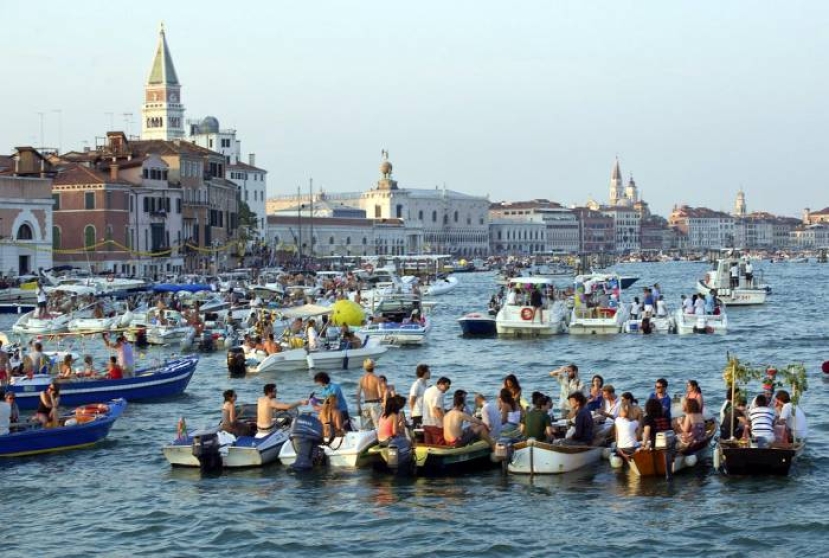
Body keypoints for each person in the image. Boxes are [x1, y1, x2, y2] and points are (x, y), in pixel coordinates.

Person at [422, 376, 451, 444]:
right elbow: (435, 409)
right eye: (447, 387)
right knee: (439, 445)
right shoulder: (439, 393)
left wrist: (444, 410)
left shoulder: (427, 390)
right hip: (435, 424)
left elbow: (430, 405)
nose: (447, 389)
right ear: (441, 384)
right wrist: (444, 423)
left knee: (428, 446)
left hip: (426, 423)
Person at [356, 358, 383, 429]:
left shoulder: (361, 379)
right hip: (375, 404)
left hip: (365, 405)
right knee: (377, 426)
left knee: (365, 427)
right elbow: (380, 395)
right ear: (373, 367)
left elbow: (358, 395)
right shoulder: (377, 379)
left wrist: (358, 407)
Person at [408, 363, 430, 427]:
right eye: (428, 371)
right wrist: (412, 412)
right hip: (418, 414)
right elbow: (412, 399)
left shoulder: (425, 384)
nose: (430, 373)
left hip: (424, 413)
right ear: (425, 373)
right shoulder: (416, 384)